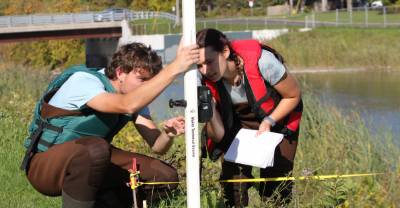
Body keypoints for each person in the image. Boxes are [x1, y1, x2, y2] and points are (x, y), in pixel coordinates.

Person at [21, 41, 199, 208]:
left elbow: (158, 146)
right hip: (45, 165)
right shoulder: (84, 81)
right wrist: (175, 67)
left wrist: (167, 134)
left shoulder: (135, 100)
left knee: (165, 176)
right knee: (96, 149)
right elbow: (126, 104)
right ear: (121, 72)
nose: (146, 87)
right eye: (142, 79)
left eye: (149, 81)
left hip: (92, 160)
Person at [196, 28, 303, 207]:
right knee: (233, 184)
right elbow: (218, 135)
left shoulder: (264, 62)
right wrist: (208, 105)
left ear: (225, 51)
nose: (205, 70)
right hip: (240, 126)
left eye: (209, 61)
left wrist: (269, 121)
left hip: (280, 120)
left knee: (276, 188)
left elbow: (293, 95)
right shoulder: (204, 81)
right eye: (199, 65)